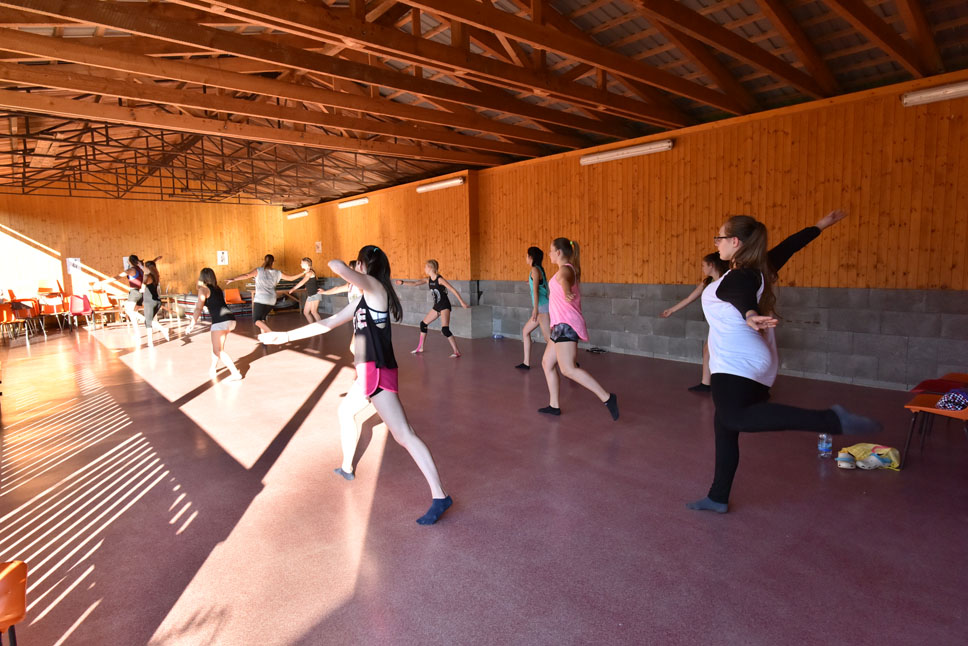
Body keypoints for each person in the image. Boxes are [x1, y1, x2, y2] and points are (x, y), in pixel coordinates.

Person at [687, 214, 881, 514]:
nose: (716, 243)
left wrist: (750, 314)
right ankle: (718, 496)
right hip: (750, 359)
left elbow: (742, 296)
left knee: (735, 419)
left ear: (735, 242)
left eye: (719, 237)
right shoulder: (758, 268)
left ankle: (831, 420)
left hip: (737, 361)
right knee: (725, 427)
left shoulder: (740, 277)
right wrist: (819, 226)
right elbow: (790, 246)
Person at [259, 246, 452, 525]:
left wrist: (346, 264)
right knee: (346, 412)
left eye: (359, 264)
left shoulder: (375, 288)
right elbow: (328, 323)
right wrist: (285, 337)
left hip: (378, 372)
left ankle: (440, 495)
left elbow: (337, 266)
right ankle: (347, 466)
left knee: (404, 435)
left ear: (364, 266)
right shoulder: (364, 298)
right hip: (366, 373)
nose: (355, 269)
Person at [539, 238, 618, 420]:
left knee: (568, 369)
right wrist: (565, 291)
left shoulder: (565, 270)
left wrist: (567, 290)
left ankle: (607, 397)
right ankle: (554, 405)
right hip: (559, 325)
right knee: (547, 363)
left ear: (558, 252)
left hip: (566, 325)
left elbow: (565, 281)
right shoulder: (564, 269)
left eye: (551, 250)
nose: (549, 254)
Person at [395, 259, 469, 358]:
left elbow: (452, 289)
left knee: (445, 330)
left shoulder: (439, 280)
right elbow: (415, 283)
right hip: (437, 306)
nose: (424, 269)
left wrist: (462, 302)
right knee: (423, 324)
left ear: (430, 268)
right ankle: (421, 347)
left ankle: (456, 351)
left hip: (444, 306)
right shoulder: (428, 280)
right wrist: (403, 282)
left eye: (426, 267)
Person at [187, 268, 242, 382]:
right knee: (216, 348)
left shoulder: (203, 289)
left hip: (220, 321)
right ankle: (212, 368)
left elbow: (198, 308)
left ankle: (235, 373)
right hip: (230, 319)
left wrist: (192, 323)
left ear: (201, 278)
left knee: (218, 350)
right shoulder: (217, 288)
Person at [227, 254, 305, 334]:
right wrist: (303, 273)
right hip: (271, 300)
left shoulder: (259, 270)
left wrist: (233, 279)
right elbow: (291, 278)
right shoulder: (277, 272)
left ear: (264, 261)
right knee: (262, 319)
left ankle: (271, 333)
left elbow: (247, 275)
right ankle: (264, 337)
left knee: (256, 320)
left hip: (261, 299)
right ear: (273, 262)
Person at [515, 246, 552, 370]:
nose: (526, 258)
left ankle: (568, 361)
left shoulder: (535, 270)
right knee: (525, 331)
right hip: (542, 306)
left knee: (549, 338)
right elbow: (539, 285)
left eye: (527, 255)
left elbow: (536, 292)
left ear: (530, 257)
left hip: (542, 307)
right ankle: (526, 363)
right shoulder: (538, 269)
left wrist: (535, 309)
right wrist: (530, 282)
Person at [117, 254, 159, 331]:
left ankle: (155, 325)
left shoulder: (131, 270)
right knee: (133, 313)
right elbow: (149, 266)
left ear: (130, 261)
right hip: (140, 293)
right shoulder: (141, 268)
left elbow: (117, 277)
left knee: (129, 311)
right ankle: (137, 334)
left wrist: (103, 282)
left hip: (134, 292)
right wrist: (155, 259)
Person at [141, 259, 171, 343]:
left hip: (149, 302)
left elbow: (144, 283)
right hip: (156, 301)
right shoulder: (155, 275)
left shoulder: (148, 276)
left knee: (148, 322)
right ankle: (152, 340)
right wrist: (156, 259)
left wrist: (141, 289)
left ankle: (161, 331)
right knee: (148, 321)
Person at [286, 258, 324, 323]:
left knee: (314, 312)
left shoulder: (309, 272)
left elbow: (302, 282)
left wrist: (293, 288)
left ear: (306, 264)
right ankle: (312, 326)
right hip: (310, 295)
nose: (300, 264)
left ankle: (322, 327)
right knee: (306, 312)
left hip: (315, 294)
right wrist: (307, 287)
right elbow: (310, 282)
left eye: (302, 263)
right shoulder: (307, 272)